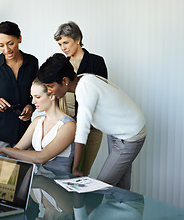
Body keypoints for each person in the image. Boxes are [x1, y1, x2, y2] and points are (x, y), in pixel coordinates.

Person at [37, 53, 146, 190]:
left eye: (50, 86)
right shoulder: (83, 79)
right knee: (120, 183)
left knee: (102, 186)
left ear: (64, 81)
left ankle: (131, 208)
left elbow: (82, 131)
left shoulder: (85, 89)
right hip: (116, 131)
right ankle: (128, 208)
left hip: (130, 134)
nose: (49, 91)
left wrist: (76, 169)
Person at [54, 21, 108, 176]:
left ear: (77, 39)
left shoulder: (96, 62)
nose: (63, 47)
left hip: (90, 126)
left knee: (82, 172)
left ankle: (80, 201)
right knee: (64, 171)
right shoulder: (61, 64)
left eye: (66, 42)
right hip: (65, 125)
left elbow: (100, 95)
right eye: (60, 44)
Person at [0, 78, 76, 173]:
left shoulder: (69, 125)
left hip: (57, 182)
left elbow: (41, 157)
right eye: (32, 97)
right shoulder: (37, 121)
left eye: (38, 97)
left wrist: (3, 149)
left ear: (52, 96)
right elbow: (17, 149)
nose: (33, 102)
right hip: (36, 179)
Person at [0, 21, 38, 147]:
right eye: (1, 45)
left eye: (10, 43)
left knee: (22, 167)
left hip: (24, 130)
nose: (6, 50)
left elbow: (37, 92)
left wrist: (31, 106)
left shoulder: (32, 62)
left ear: (19, 38)